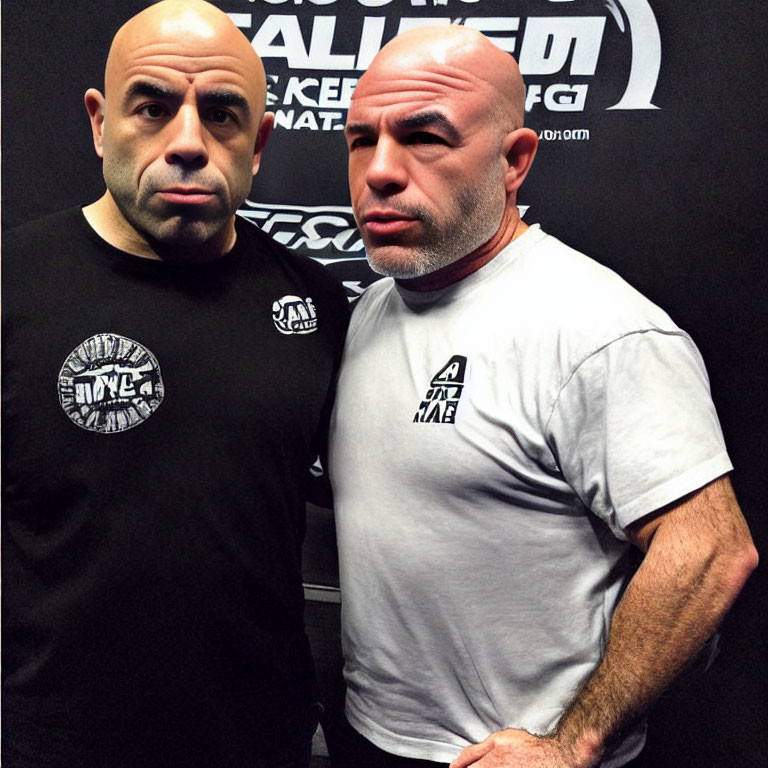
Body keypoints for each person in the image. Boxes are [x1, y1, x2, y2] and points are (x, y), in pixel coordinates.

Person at [327, 25, 758, 768]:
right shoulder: (375, 307)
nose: (382, 172)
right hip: (370, 734)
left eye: (424, 137)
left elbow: (713, 550)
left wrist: (573, 744)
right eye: (361, 140)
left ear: (515, 159)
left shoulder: (597, 328)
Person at [1, 2, 349, 766]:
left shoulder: (317, 306)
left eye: (221, 115)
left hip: (262, 740)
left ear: (257, 144)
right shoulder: (9, 287)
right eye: (152, 108)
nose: (188, 143)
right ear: (100, 124)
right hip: (49, 742)